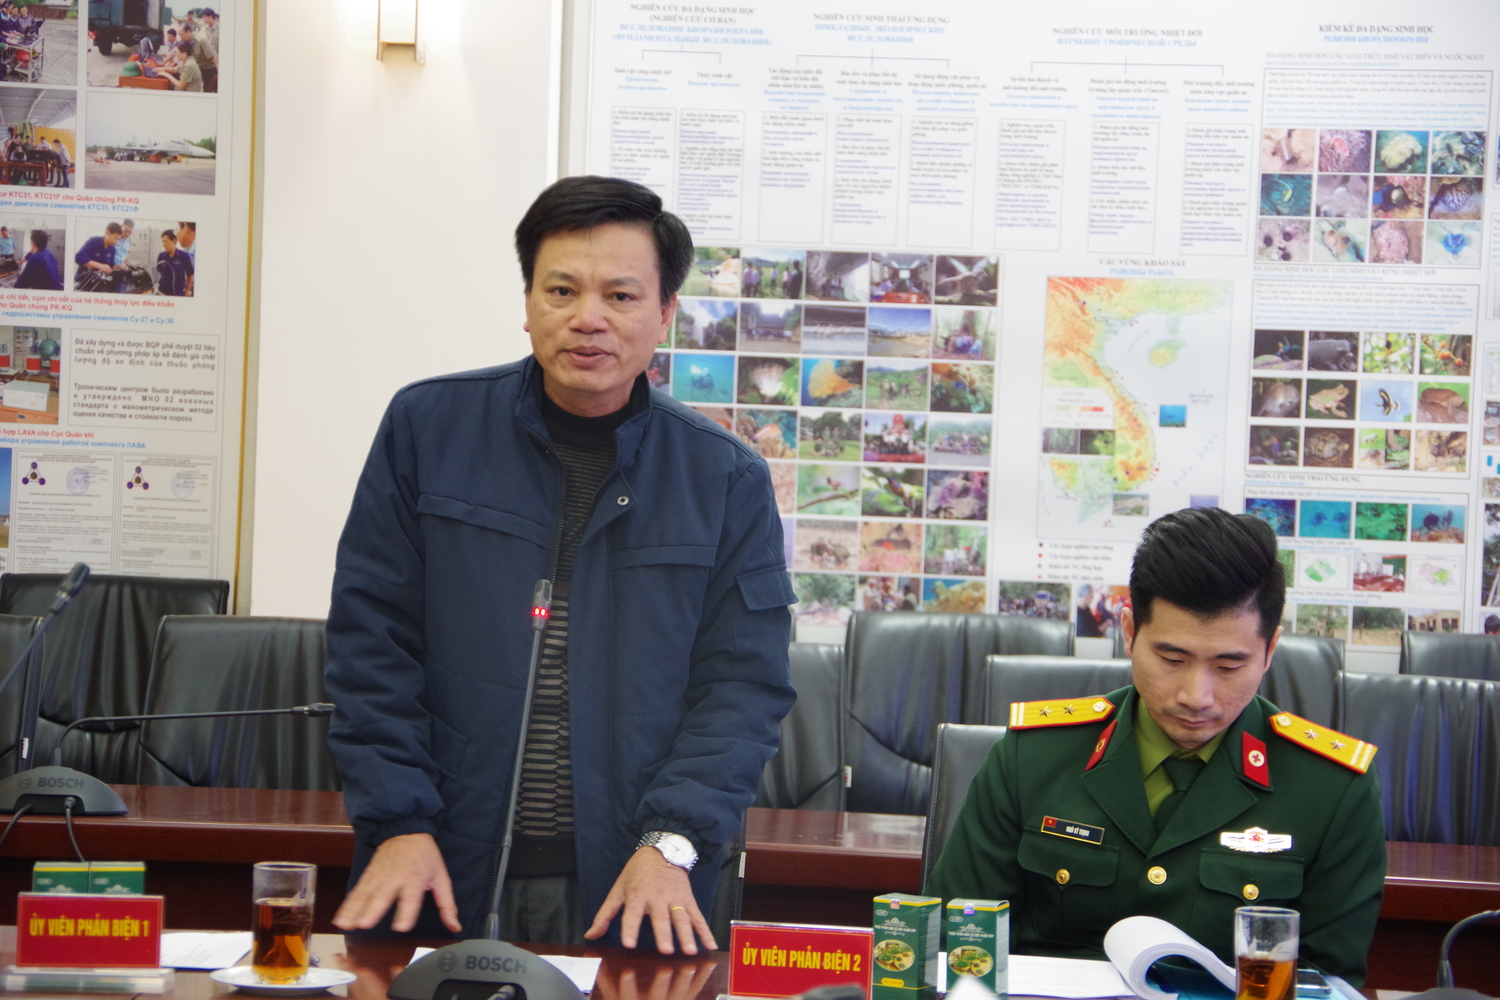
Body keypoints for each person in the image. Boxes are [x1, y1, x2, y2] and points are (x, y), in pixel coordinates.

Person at [325, 175, 796, 954]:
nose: (588, 318)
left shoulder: (724, 478)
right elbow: (370, 643)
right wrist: (398, 820)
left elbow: (742, 690)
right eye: (562, 290)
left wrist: (673, 841)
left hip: (636, 883)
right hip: (435, 867)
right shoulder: (426, 429)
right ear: (528, 302)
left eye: (620, 295)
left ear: (664, 314)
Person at [928, 506, 1386, 985]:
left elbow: (1326, 984)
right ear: (1129, 633)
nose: (1196, 696)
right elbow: (956, 944)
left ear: (1269, 649)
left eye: (1228, 667)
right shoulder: (1032, 757)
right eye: (1171, 659)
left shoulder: (1331, 789)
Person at [74, 222, 121, 289]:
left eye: (118, 239)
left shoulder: (112, 249)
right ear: (107, 233)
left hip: (97, 283)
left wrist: (118, 267)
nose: (117, 241)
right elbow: (79, 257)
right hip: (83, 281)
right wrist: (100, 266)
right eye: (115, 238)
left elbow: (110, 266)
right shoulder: (93, 241)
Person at [179, 22, 216, 92]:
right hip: (198, 67)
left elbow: (214, 55)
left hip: (208, 68)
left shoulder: (199, 39)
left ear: (188, 31)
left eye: (181, 34)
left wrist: (219, 72)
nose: (180, 37)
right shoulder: (185, 40)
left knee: (208, 90)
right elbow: (176, 50)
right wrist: (164, 61)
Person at [156, 229, 193, 296]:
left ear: (174, 241)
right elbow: (159, 270)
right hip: (162, 291)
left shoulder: (184, 256)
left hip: (178, 292)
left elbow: (190, 274)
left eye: (165, 242)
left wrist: (187, 289)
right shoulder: (161, 256)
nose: (163, 244)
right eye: (162, 242)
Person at [110, 219, 133, 291]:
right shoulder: (113, 238)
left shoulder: (129, 240)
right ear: (121, 226)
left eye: (130, 232)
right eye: (126, 230)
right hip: (110, 270)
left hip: (121, 271)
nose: (128, 233)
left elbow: (122, 253)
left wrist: (125, 260)